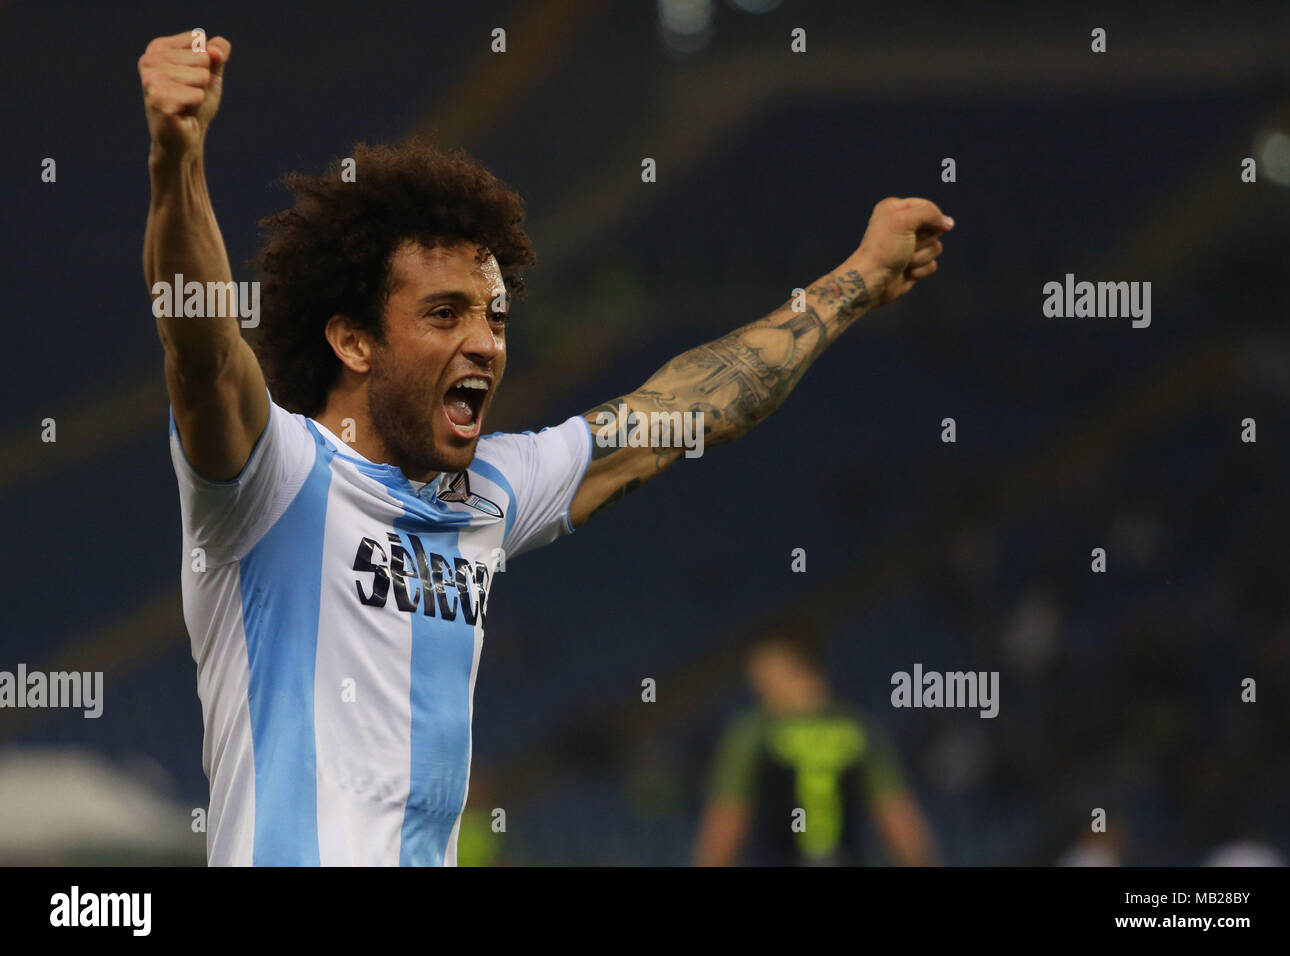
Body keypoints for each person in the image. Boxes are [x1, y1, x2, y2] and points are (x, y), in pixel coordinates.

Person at [138, 30, 954, 865]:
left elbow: (692, 407)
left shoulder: (494, 488)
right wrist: (178, 158)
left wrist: (854, 280)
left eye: (494, 316)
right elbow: (200, 346)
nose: (488, 343)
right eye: (445, 314)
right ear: (353, 342)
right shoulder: (271, 479)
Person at [695, 630, 939, 865]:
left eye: (767, 675)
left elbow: (725, 825)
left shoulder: (753, 734)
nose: (759, 687)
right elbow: (900, 823)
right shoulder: (858, 729)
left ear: (802, 670)